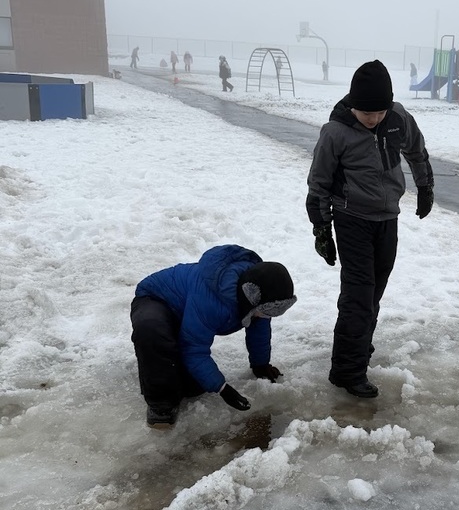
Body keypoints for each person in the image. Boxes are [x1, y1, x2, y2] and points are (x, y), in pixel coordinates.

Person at [306, 60, 434, 398]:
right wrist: (322, 230)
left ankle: (358, 346)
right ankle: (347, 371)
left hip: (386, 219)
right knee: (358, 295)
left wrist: (425, 187)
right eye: (366, 113)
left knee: (374, 290)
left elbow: (416, 152)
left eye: (379, 112)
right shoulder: (336, 132)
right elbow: (318, 183)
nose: (373, 119)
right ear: (353, 104)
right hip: (352, 219)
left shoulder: (397, 119)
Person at [130, 245, 297, 429]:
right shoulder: (213, 299)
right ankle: (161, 405)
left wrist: (261, 365)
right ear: (251, 297)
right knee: (152, 331)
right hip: (155, 299)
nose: (267, 316)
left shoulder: (258, 297)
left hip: (188, 311)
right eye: (266, 312)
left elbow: (259, 330)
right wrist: (222, 388)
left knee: (194, 387)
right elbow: (194, 349)